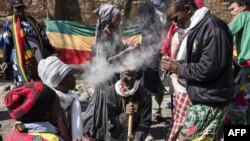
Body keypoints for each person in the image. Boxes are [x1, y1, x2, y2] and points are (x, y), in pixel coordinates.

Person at [162, 0, 234, 140]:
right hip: (204, 97)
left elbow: (209, 69)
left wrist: (179, 68)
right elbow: (202, 61)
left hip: (211, 100)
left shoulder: (213, 28)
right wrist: (178, 63)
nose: (175, 24)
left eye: (176, 18)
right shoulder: (199, 27)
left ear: (188, 9)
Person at [1, 0, 53, 86]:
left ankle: (38, 96)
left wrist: (51, 50)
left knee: (38, 77)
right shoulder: (10, 23)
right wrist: (5, 60)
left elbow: (42, 36)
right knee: (23, 79)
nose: (20, 11)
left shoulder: (31, 21)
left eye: (21, 8)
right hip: (19, 57)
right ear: (12, 10)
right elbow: (7, 42)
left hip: (36, 55)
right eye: (17, 8)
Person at [4, 81, 71, 141]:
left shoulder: (11, 135)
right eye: (58, 107)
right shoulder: (53, 139)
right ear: (47, 113)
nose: (60, 110)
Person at [38, 56, 83, 140]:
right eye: (69, 76)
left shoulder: (71, 97)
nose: (74, 78)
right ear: (58, 82)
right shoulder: (50, 103)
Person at [106, 63, 151, 141]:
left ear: (136, 75)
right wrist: (126, 114)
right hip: (117, 134)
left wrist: (137, 138)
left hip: (137, 132)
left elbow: (145, 122)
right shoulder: (110, 92)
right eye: (124, 74)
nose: (126, 78)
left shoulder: (145, 94)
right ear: (120, 74)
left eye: (130, 75)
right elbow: (112, 120)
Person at [138, 1, 165, 123]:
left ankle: (156, 112)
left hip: (164, 50)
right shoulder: (145, 7)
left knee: (163, 82)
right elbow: (146, 29)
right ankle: (144, 114)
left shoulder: (168, 7)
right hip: (150, 50)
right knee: (148, 81)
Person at [228, 10, 250, 125]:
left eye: (233, 8)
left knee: (239, 104)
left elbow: (225, 31)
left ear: (243, 7)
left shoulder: (244, 16)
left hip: (247, 67)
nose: (231, 12)